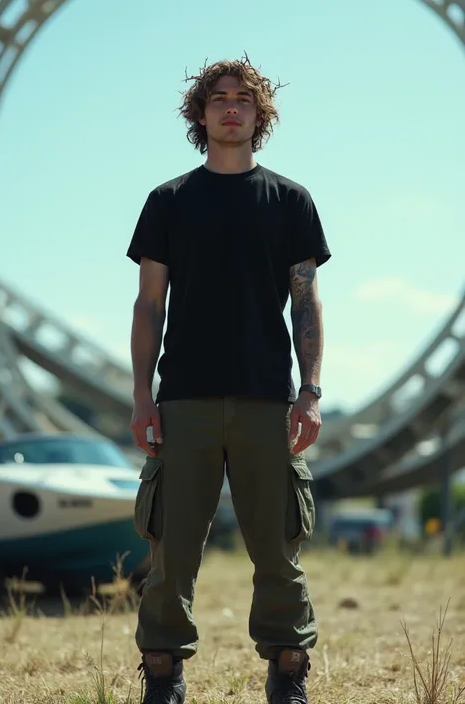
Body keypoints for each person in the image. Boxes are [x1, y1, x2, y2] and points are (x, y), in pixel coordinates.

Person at [126, 54, 331, 704]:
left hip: (267, 400)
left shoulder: (291, 200)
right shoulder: (168, 202)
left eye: (243, 98)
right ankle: (163, 674)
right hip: (181, 398)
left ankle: (288, 669)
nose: (231, 106)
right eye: (218, 98)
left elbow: (306, 301)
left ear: (260, 114)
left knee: (278, 551)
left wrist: (311, 390)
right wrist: (140, 397)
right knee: (170, 553)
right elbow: (148, 304)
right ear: (201, 113)